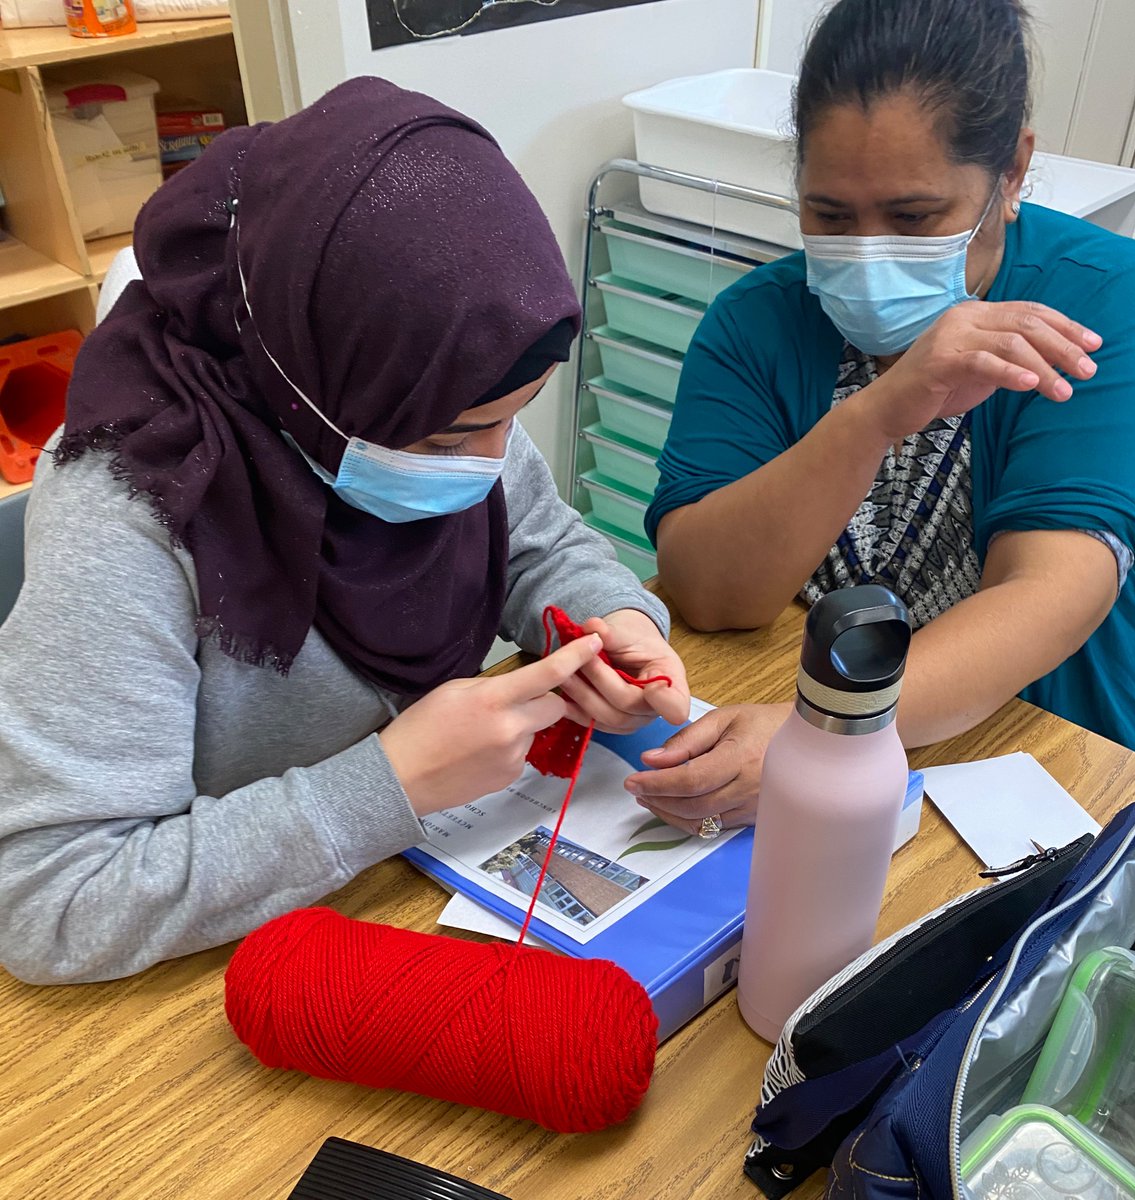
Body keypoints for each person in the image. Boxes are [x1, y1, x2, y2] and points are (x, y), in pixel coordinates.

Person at [0, 78, 689, 985]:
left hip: (399, 887)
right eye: (447, 438)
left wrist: (618, 620)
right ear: (311, 376)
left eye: (512, 419)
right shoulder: (126, 508)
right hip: (207, 980)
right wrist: (387, 785)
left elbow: (538, 539)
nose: (486, 461)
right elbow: (56, 900)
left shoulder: (425, 376)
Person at [627, 0, 1135, 834]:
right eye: (829, 215)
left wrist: (824, 739)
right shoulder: (753, 323)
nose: (866, 251)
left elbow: (1049, 592)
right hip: (843, 728)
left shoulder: (1104, 295)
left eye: (914, 218)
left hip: (1073, 749)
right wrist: (873, 417)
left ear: (1010, 175)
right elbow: (711, 592)